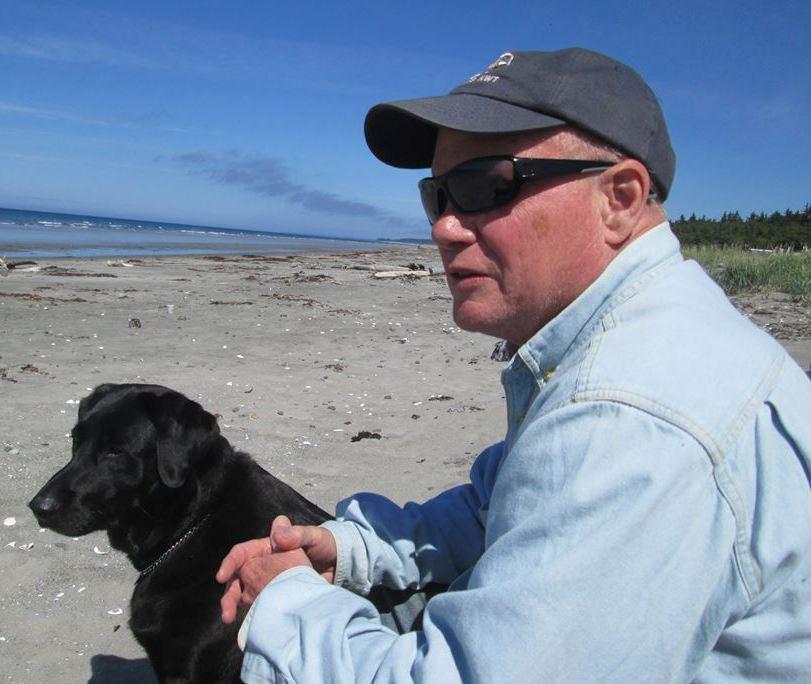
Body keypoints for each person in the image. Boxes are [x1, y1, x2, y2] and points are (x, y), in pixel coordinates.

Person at [217, 48, 811, 682]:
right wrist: (355, 549)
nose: (444, 227)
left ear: (619, 198)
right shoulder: (638, 337)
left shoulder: (629, 419)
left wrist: (285, 604)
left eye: (484, 186)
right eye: (437, 195)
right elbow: (495, 503)